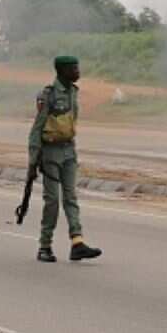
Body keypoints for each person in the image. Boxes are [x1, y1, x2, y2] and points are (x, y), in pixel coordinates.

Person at [28, 56, 101, 263]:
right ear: (62, 71)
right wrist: (33, 162)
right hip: (50, 153)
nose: (78, 71)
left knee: (71, 198)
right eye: (74, 68)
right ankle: (45, 246)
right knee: (52, 201)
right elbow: (36, 130)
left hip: (69, 151)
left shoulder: (72, 92)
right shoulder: (48, 95)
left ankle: (77, 242)